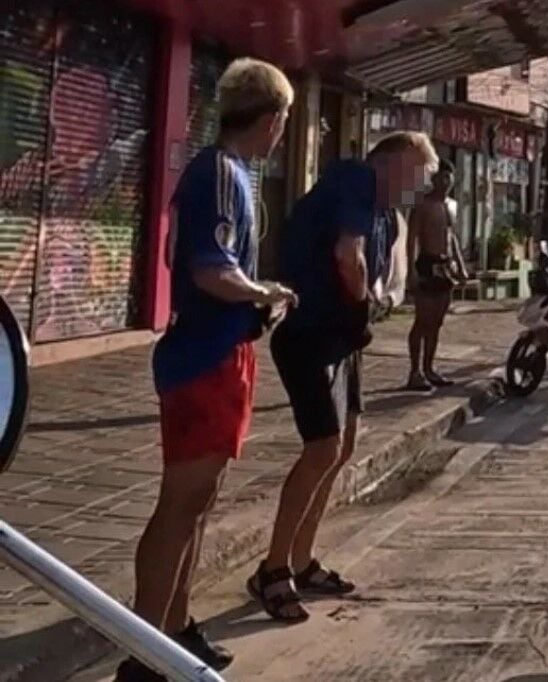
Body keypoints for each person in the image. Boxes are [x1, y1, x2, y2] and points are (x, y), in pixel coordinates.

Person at [120, 58, 295, 682]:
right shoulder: (220, 172)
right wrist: (262, 292)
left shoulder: (232, 174)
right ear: (273, 119)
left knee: (200, 500)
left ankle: (173, 627)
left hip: (223, 352)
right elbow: (209, 269)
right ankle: (144, 649)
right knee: (180, 502)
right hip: (204, 358)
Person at [250, 131, 440, 622]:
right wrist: (361, 305)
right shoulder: (354, 181)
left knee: (346, 444)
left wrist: (374, 302)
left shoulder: (384, 215)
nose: (418, 189)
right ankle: (272, 569)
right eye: (416, 176)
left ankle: (302, 558)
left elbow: (373, 271)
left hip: (342, 338)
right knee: (323, 448)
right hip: (309, 333)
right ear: (392, 163)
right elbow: (346, 256)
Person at [405, 159, 469, 392]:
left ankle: (429, 368)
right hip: (427, 263)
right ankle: (415, 372)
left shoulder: (451, 205)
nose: (445, 182)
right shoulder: (422, 205)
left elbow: (452, 237)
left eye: (449, 178)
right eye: (441, 177)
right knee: (423, 321)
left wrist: (460, 266)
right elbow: (411, 239)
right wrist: (410, 270)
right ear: (433, 179)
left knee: (437, 323)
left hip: (446, 266)